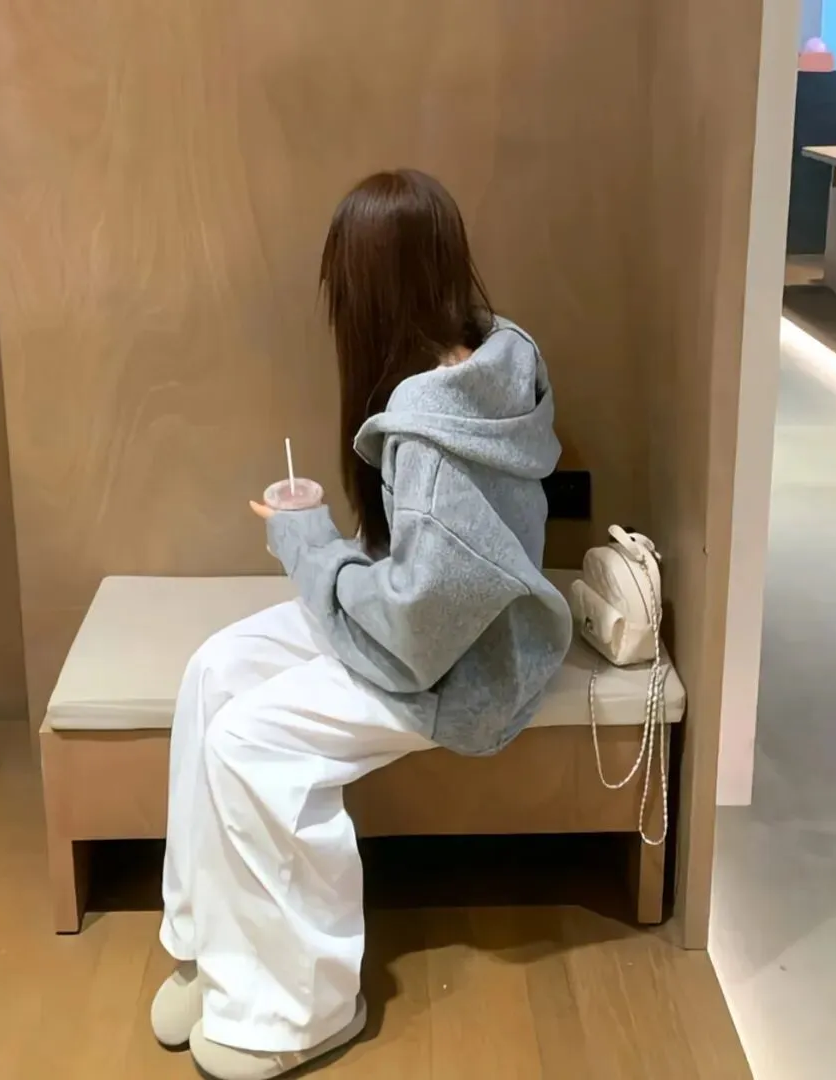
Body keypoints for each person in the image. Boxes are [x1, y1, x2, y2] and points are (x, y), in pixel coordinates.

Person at [150, 169, 572, 1080]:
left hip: (466, 672)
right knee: (214, 668)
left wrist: (306, 542)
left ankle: (302, 1008)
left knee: (248, 743)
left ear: (371, 289)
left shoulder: (432, 429)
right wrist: (326, 548)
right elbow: (424, 574)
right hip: (442, 626)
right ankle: (207, 946)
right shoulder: (492, 356)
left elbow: (418, 635)